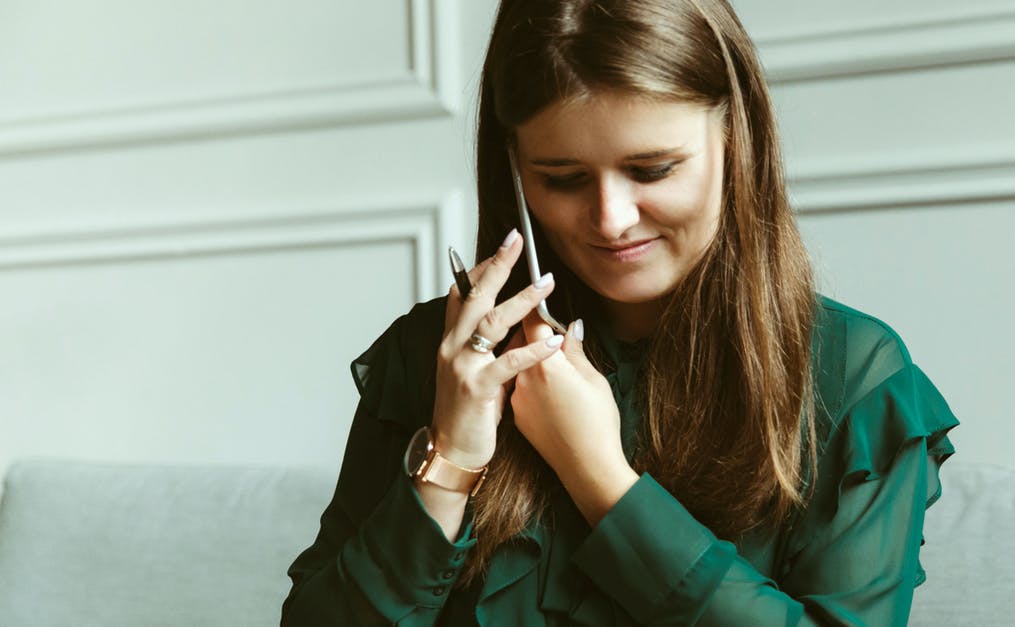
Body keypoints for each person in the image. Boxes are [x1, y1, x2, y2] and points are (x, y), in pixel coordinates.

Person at [281, 0, 959, 625]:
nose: (611, 220)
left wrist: (602, 479)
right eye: (563, 179)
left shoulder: (857, 377)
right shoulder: (439, 358)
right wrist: (452, 462)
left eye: (654, 169)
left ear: (737, 138)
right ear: (514, 170)